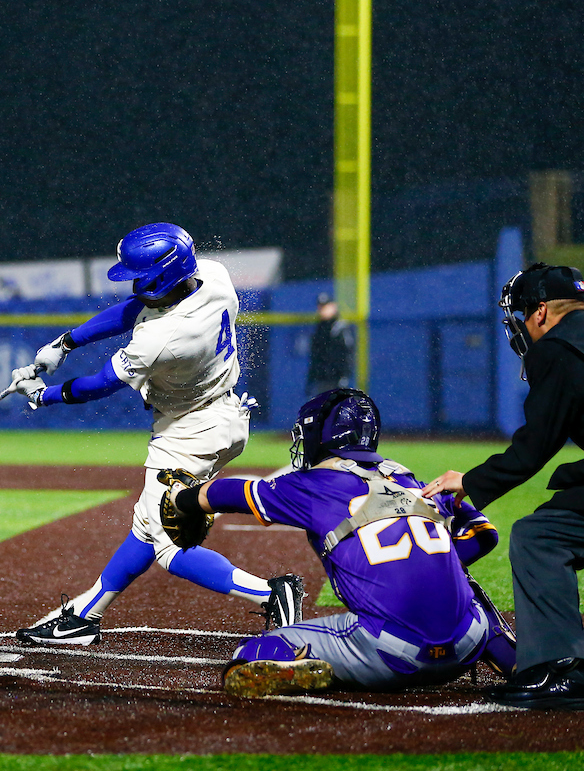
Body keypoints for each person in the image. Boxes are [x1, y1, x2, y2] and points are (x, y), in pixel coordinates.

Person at [9, 222, 304, 647]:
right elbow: (135, 308)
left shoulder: (166, 339)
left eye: (139, 277)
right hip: (220, 415)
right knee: (147, 525)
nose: (132, 283)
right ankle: (86, 615)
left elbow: (101, 384)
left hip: (190, 433)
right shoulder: (213, 275)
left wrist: (44, 395)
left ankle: (271, 594)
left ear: (162, 277)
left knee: (168, 547)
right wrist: (67, 342)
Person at [163, 388, 515, 698]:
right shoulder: (412, 480)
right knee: (465, 586)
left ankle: (302, 663)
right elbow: (486, 536)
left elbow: (237, 492)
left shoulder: (314, 484)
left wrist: (183, 499)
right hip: (465, 645)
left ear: (320, 436)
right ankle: (513, 657)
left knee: (252, 653)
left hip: (390, 653)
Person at [422, 263, 584, 710]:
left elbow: (537, 445)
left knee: (540, 537)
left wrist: (470, 481)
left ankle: (560, 668)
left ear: (542, 311)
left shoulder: (558, 346)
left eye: (523, 314)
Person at [306, 293, 355, 398]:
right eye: (320, 306)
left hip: (336, 379)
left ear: (333, 306)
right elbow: (315, 356)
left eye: (325, 306)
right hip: (322, 379)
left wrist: (344, 376)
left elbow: (348, 353)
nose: (322, 309)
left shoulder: (339, 327)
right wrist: (311, 378)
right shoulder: (320, 329)